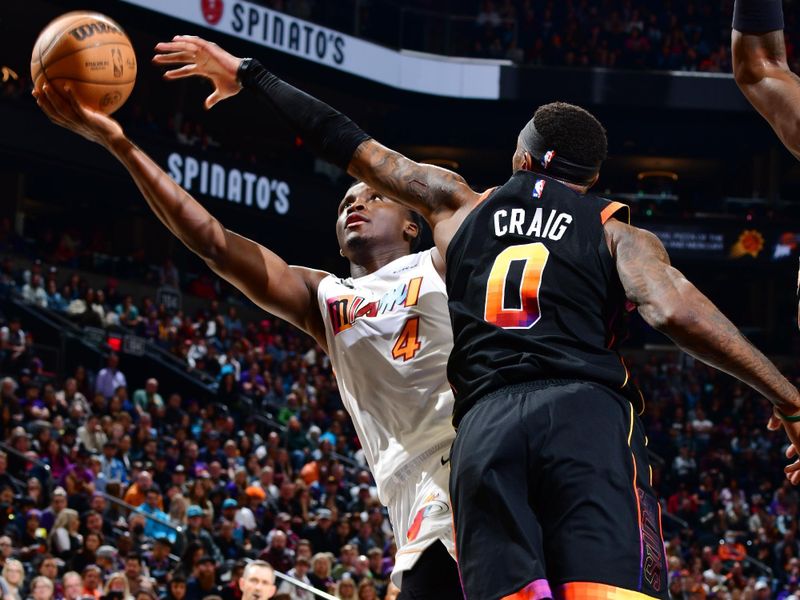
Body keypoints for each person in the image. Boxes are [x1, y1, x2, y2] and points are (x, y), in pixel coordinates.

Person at [142, 36, 800, 599]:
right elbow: (674, 309)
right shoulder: (612, 230)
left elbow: (349, 142)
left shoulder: (459, 209)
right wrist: (789, 401)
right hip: (583, 415)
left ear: (519, 158)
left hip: (483, 432)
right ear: (591, 178)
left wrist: (251, 75)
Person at [35, 54, 462, 599]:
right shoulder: (323, 297)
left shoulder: (442, 262)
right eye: (347, 202)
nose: (356, 204)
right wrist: (120, 143)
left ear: (412, 221)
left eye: (374, 196)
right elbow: (212, 242)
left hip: (471, 459)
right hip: (407, 492)